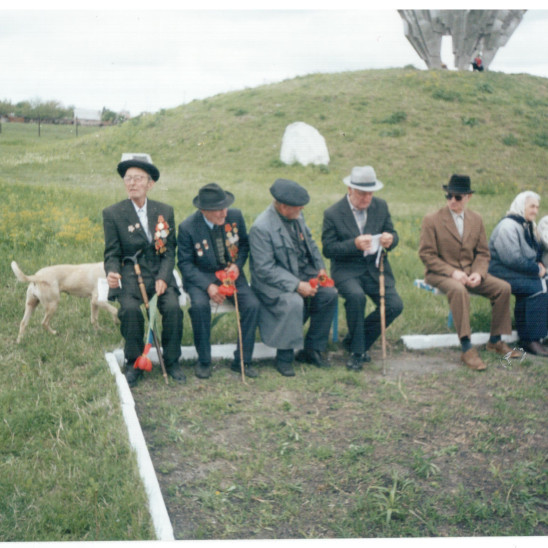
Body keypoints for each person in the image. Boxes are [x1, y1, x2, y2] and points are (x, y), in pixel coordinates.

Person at [418, 174, 520, 371]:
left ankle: (496, 340)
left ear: (468, 197)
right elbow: (426, 254)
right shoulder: (432, 220)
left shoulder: (476, 219)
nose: (452, 201)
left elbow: (482, 253)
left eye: (457, 197)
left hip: (469, 273)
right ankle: (466, 347)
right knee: (459, 290)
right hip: (439, 273)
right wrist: (452, 272)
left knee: (503, 288)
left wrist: (478, 274)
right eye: (449, 196)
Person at [103, 153, 184, 387]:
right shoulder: (113, 213)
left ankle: (172, 361)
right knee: (130, 311)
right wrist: (112, 271)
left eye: (138, 178)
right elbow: (112, 253)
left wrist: (164, 277)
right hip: (131, 273)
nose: (132, 183)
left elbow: (169, 251)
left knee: (173, 309)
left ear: (150, 184)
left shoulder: (164, 211)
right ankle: (134, 362)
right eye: (128, 178)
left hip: (159, 273)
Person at [248, 178, 338, 376]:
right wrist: (297, 285)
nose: (302, 209)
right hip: (272, 282)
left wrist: (320, 268)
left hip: (300, 272)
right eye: (298, 206)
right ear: (282, 206)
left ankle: (312, 350)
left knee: (329, 294)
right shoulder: (261, 228)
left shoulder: (296, 215)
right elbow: (265, 269)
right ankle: (284, 357)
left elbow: (310, 243)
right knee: (293, 302)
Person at [322, 165, 403, 371]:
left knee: (394, 305)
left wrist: (390, 240)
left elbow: (392, 234)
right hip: (346, 270)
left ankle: (356, 340)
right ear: (350, 189)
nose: (367, 198)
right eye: (362, 193)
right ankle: (357, 352)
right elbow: (328, 249)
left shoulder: (380, 206)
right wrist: (354, 244)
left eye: (370, 193)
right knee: (356, 297)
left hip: (375, 269)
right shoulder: (333, 213)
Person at [177, 183, 260, 379]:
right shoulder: (188, 227)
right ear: (204, 210)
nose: (224, 213)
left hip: (230, 274)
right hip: (201, 277)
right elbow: (185, 264)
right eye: (218, 209)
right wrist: (208, 286)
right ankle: (204, 361)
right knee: (199, 307)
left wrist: (237, 265)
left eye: (225, 207)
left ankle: (242, 360)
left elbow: (244, 245)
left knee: (252, 305)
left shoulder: (235, 216)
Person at [488, 191, 548, 357]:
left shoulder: (526, 225)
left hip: (515, 273)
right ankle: (530, 340)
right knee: (538, 287)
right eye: (532, 206)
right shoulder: (508, 226)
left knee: (545, 282)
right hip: (499, 274)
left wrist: (539, 264)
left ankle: (538, 335)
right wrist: (536, 270)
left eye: (537, 207)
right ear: (521, 206)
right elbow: (512, 259)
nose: (535, 211)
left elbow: (533, 252)